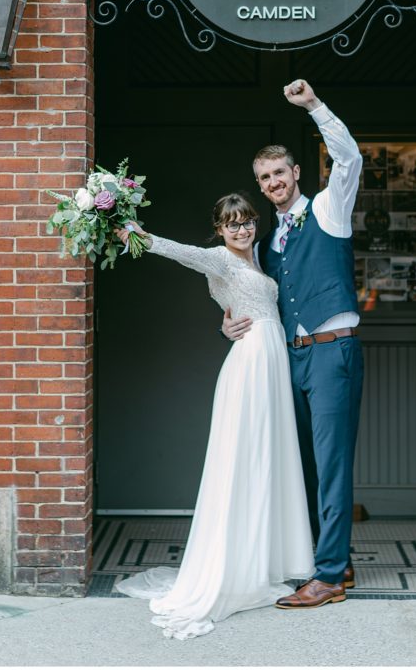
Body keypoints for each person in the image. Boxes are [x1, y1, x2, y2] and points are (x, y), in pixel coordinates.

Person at [113, 194, 314, 639]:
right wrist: (135, 235)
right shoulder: (219, 259)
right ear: (220, 229)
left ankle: (259, 562)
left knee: (270, 458)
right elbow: (177, 251)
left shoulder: (260, 257)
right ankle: (231, 568)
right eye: (232, 224)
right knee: (245, 460)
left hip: (272, 360)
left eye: (246, 222)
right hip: (250, 366)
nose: (241, 230)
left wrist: (229, 321)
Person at [222, 79, 364, 609]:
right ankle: (332, 561)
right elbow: (251, 297)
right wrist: (229, 325)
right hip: (292, 358)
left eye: (279, 172)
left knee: (331, 465)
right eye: (264, 178)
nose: (273, 181)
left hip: (332, 351)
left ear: (296, 173)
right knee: (300, 461)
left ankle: (327, 577)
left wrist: (314, 107)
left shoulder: (329, 209)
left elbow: (348, 157)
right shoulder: (267, 240)